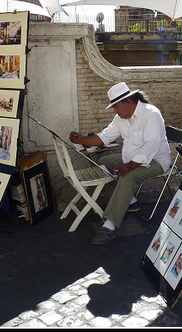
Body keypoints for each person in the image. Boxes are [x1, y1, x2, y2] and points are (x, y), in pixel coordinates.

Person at [70, 82, 171, 245]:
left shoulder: (151, 114)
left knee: (127, 177)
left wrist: (130, 165)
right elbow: (104, 137)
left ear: (129, 101)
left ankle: (110, 225)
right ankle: (129, 200)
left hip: (156, 160)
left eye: (116, 107)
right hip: (130, 159)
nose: (115, 112)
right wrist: (82, 140)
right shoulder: (120, 118)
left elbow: (151, 146)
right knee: (103, 162)